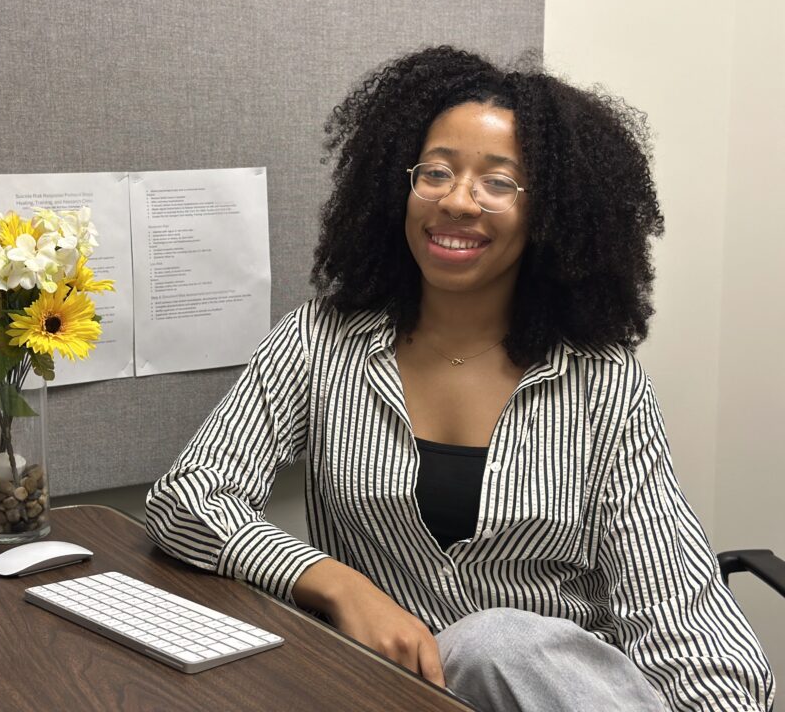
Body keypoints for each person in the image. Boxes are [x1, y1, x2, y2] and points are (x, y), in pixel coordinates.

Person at [144, 46, 775, 711]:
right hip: (381, 692)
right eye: (436, 172)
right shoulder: (320, 341)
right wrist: (335, 583)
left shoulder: (602, 381)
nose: (458, 201)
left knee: (494, 642)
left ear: (551, 214)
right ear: (399, 187)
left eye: (499, 182)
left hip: (550, 692)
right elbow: (188, 497)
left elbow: (680, 618)